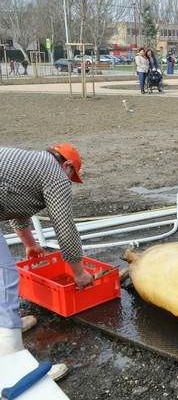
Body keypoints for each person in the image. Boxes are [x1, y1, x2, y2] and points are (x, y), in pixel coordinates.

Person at [0, 144, 94, 379]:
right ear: (67, 165)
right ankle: (14, 364)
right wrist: (79, 272)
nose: (69, 182)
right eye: (71, 176)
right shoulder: (55, 174)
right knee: (5, 278)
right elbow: (64, 226)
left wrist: (30, 244)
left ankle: (8, 325)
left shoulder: (31, 163)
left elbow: (17, 210)